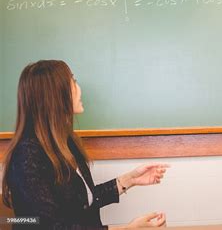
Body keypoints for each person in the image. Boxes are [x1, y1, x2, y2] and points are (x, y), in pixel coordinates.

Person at [1, 60, 169, 229]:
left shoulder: (65, 141)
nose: (78, 88)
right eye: (73, 81)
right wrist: (126, 229)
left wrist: (130, 179)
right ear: (55, 94)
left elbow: (84, 202)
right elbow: (53, 226)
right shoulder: (27, 156)